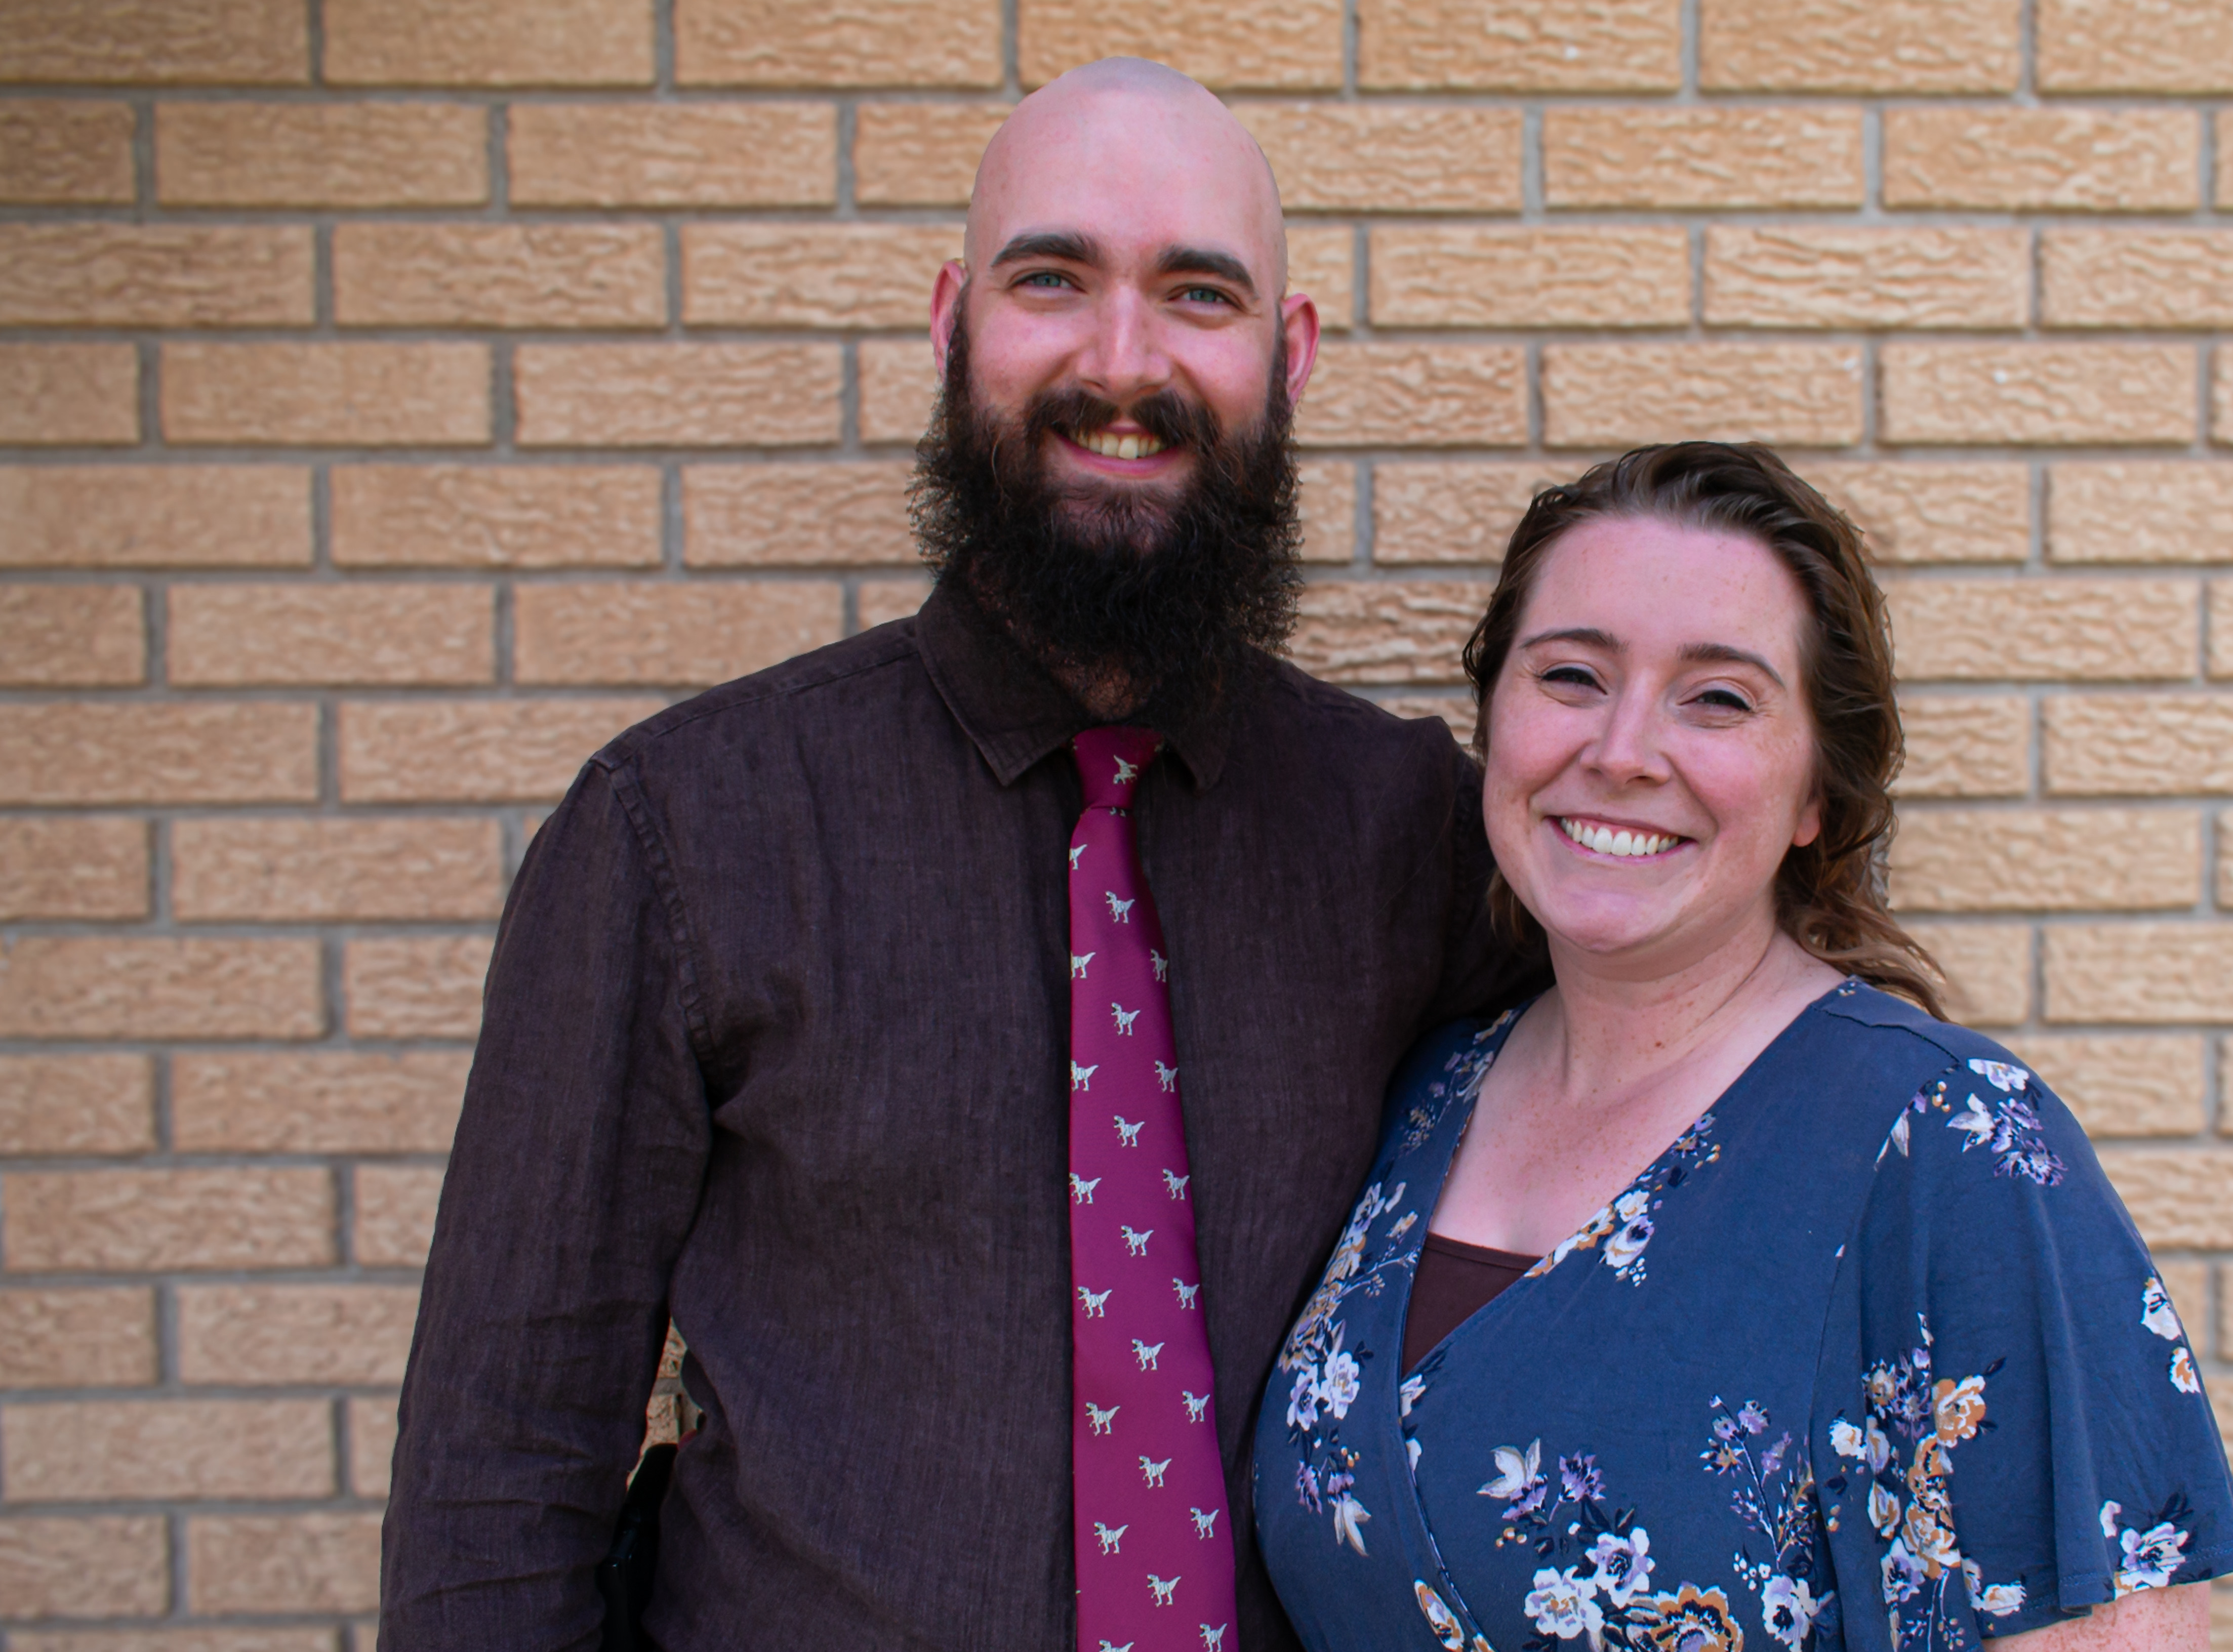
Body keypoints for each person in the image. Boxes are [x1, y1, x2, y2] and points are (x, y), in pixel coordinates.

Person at [380, 59, 1536, 1651]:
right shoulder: (682, 833)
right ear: (950, 323)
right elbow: (499, 1475)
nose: (1120, 364)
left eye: (1198, 294)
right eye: (1051, 280)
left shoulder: (1411, 835)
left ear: (1292, 352)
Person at [1254, 444, 2233, 1652]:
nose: (1622, 750)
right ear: (1493, 721)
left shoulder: (1951, 1143)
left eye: (1717, 698)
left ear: (1816, 793)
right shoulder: (1425, 1092)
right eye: (1570, 676)